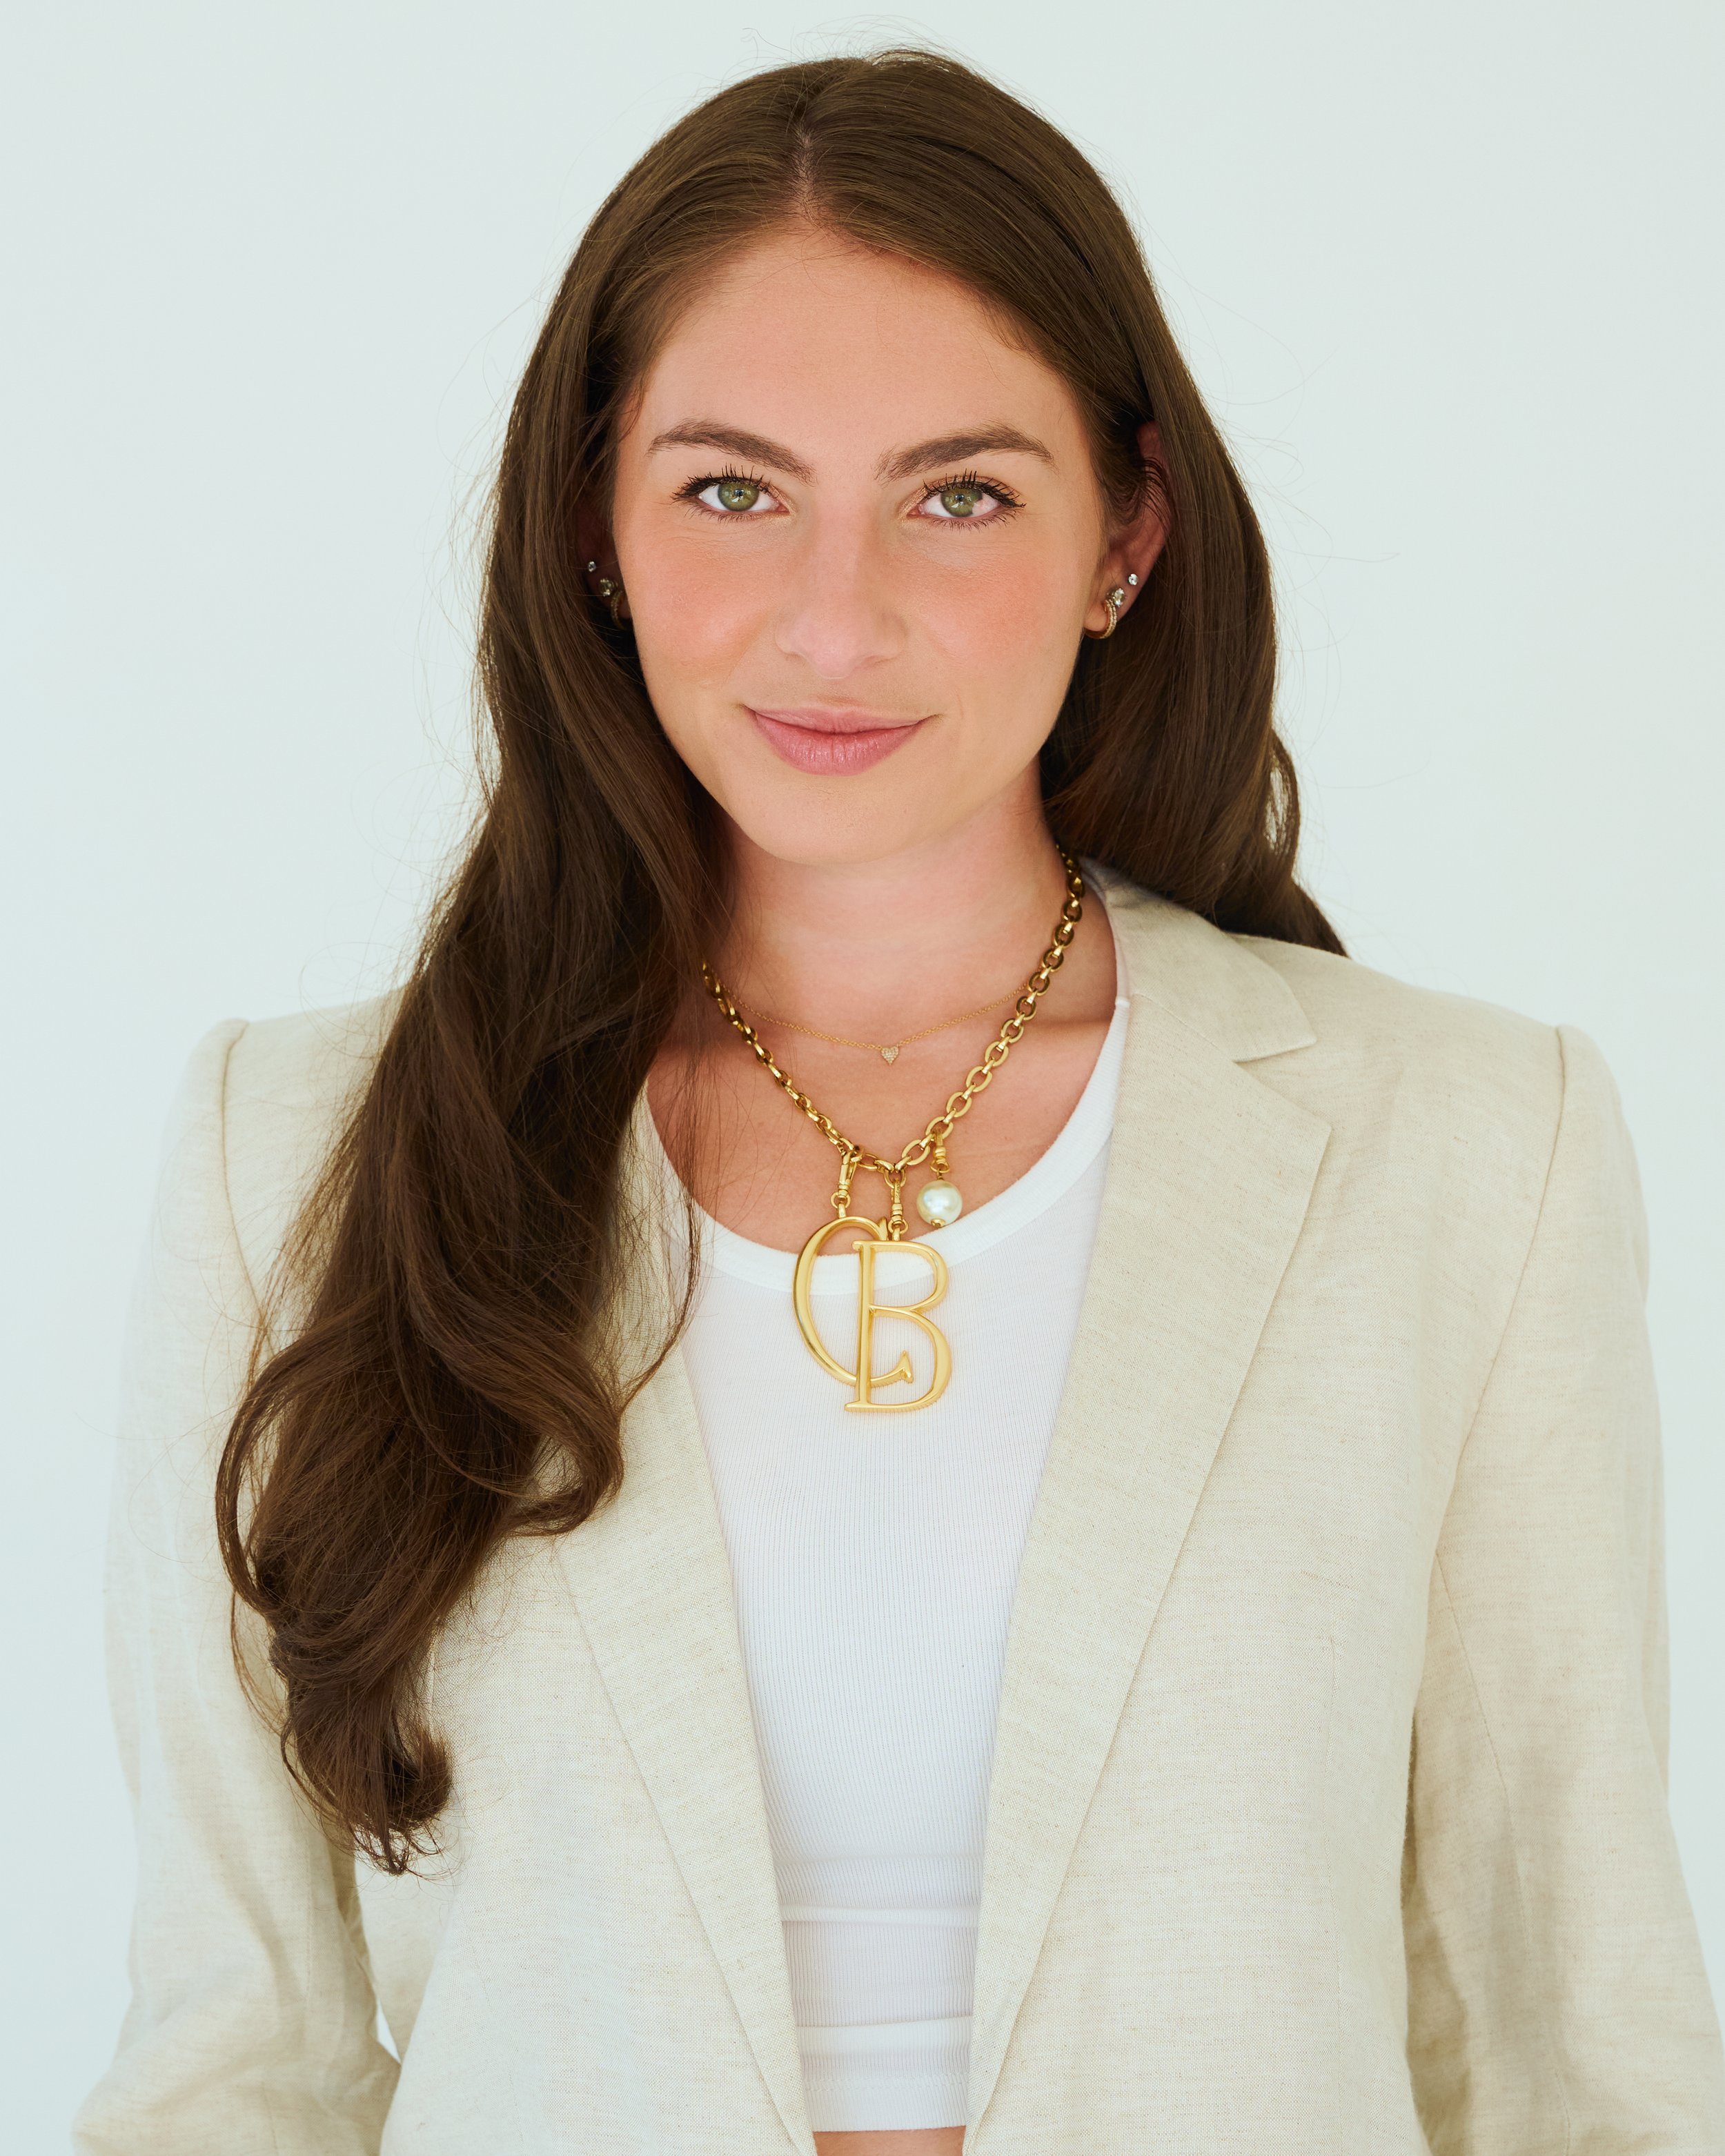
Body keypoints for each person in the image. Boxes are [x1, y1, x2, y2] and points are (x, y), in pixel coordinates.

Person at [74, 43, 1725, 2156]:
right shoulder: (292, 1162)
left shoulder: (1475, 1152)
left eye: (958, 494)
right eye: (731, 489)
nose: (833, 621)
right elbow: (238, 2064)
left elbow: (1570, 2047)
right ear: (594, 524)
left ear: (1125, 529)